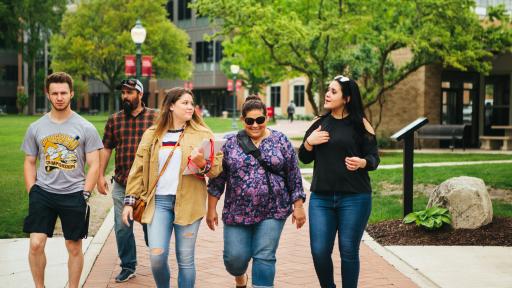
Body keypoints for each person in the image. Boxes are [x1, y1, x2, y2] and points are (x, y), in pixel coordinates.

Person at [121, 87, 223, 288]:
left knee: (185, 259)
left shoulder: (203, 134)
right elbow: (138, 169)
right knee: (157, 257)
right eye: (185, 103)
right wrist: (129, 202)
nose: (190, 107)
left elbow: (217, 169)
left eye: (191, 103)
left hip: (189, 202)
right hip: (159, 202)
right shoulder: (152, 134)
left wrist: (203, 164)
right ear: (171, 106)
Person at [207, 95, 306, 288]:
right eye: (250, 121)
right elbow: (217, 179)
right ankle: (239, 276)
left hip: (274, 209)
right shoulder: (230, 143)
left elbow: (293, 174)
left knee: (265, 256)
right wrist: (211, 209)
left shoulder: (280, 141)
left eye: (259, 120)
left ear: (266, 118)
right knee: (234, 260)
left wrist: (299, 205)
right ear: (243, 120)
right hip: (237, 211)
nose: (255, 125)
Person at [21, 72, 103, 288]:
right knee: (36, 244)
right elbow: (30, 161)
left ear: (71, 94)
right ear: (48, 95)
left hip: (74, 193)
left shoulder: (85, 127)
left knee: (73, 246)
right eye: (55, 93)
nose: (59, 97)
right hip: (43, 193)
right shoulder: (36, 127)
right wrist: (33, 191)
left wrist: (85, 193)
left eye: (63, 93)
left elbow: (95, 163)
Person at [298, 75, 380, 288]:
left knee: (349, 251)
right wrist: (309, 143)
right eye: (328, 90)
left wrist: (362, 162)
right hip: (321, 199)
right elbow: (304, 158)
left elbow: (374, 158)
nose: (327, 94)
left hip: (354, 198)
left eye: (333, 91)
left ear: (347, 98)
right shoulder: (319, 123)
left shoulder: (361, 124)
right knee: (319, 251)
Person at [97, 78, 158, 282]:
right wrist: (99, 176)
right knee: (122, 228)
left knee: (152, 230)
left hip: (149, 187)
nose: (125, 96)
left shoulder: (155, 118)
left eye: (130, 92)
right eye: (123, 93)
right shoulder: (114, 120)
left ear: (140, 94)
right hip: (122, 183)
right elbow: (106, 148)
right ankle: (128, 266)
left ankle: (158, 261)